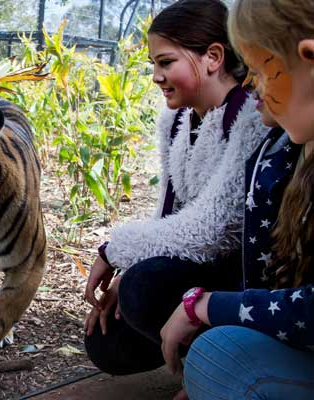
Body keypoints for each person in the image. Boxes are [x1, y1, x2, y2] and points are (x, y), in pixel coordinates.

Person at [83, 0, 271, 375]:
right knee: (107, 342)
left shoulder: (250, 115)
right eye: (153, 64)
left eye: (166, 62)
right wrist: (131, 261)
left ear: (213, 57)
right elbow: (170, 212)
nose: (156, 75)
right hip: (196, 267)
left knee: (141, 288)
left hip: (241, 277)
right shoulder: (176, 120)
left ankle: (219, 370)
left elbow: (212, 228)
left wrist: (116, 250)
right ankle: (189, 357)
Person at [162, 0, 314, 398]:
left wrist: (207, 306)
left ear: (309, 58)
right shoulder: (281, 151)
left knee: (217, 354)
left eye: (260, 69)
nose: (249, 84)